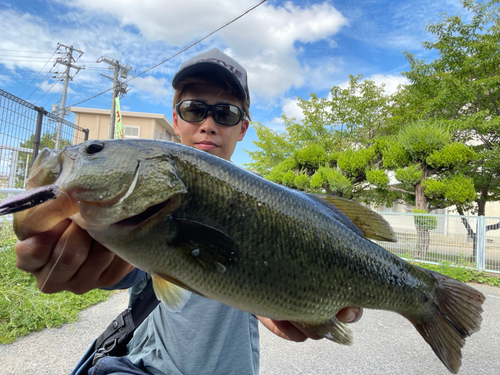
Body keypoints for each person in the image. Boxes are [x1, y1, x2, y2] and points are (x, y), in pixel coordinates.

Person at [15, 48, 363, 375]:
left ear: (243, 127)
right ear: (176, 119)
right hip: (149, 365)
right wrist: (90, 258)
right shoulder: (142, 208)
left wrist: (287, 303)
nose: (208, 124)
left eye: (225, 113)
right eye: (195, 109)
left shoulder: (275, 206)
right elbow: (131, 269)